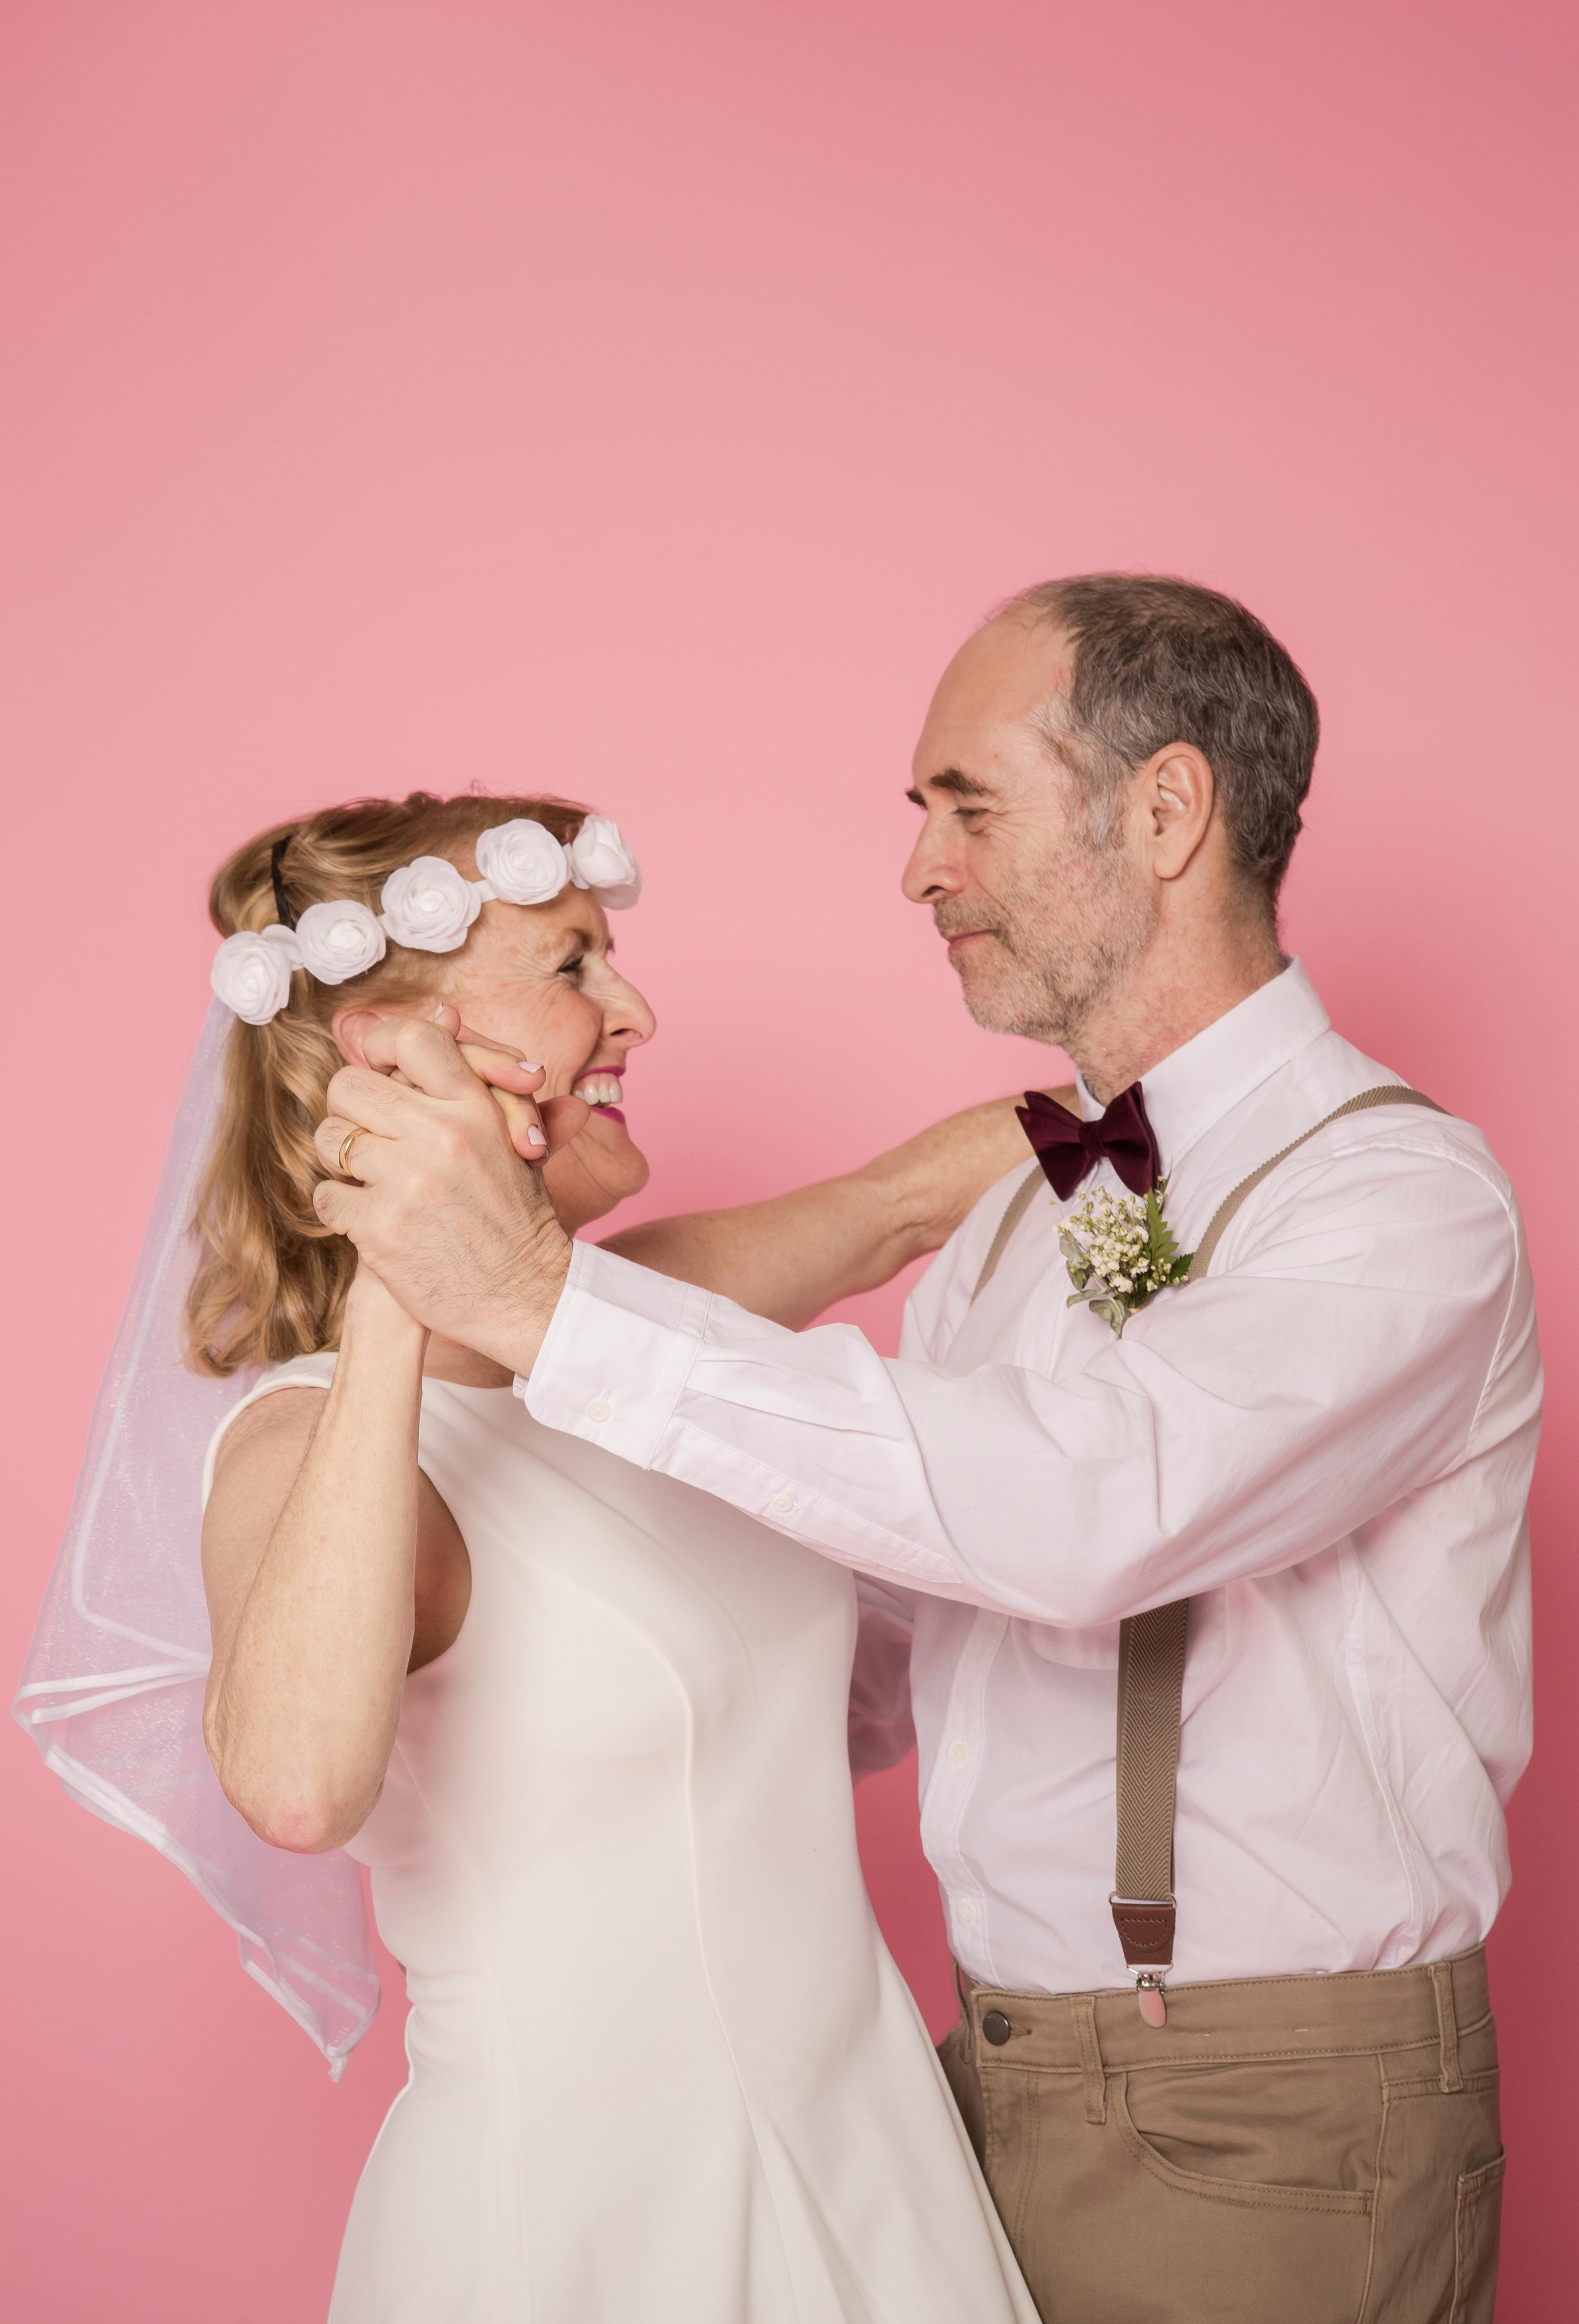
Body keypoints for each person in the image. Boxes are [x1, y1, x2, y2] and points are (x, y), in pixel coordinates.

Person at [315, 578, 1540, 2324]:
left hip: (1267, 2111)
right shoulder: (1019, 1219)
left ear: (1168, 811)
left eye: (968, 805)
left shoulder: (1398, 1202)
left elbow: (1087, 1513)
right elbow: (908, 1637)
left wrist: (541, 1301)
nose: (919, 869)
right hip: (961, 2100)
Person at [169, 791, 1040, 2324]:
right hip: (581, 2227)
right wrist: (397, 1269)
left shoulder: (629, 1320)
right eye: (574, 968)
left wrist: (1206, 1111)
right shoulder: (301, 1450)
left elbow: (904, 1205)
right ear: (390, 1050)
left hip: (872, 2164)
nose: (634, 1009)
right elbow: (296, 1787)